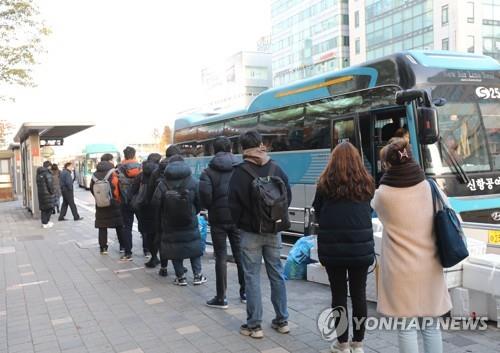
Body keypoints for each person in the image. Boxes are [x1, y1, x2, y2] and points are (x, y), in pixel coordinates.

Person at [371, 138, 452, 353]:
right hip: (430, 266)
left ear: (387, 165)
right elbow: (450, 213)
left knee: (406, 327)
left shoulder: (382, 195)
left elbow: (377, 212)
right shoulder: (430, 187)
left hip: (400, 270)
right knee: (431, 326)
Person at [312, 142, 375, 353]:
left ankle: (342, 344)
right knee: (359, 294)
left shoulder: (324, 185)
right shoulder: (366, 183)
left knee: (338, 295)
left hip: (333, 250)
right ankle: (359, 344)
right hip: (361, 249)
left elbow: (318, 213)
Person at [229, 130, 291, 339]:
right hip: (274, 231)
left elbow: (233, 205)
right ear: (261, 144)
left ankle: (254, 326)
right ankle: (282, 321)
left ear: (242, 149)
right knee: (277, 274)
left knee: (252, 277)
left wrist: (242, 224)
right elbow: (287, 197)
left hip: (249, 233)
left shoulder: (238, 172)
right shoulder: (276, 168)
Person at [200, 136, 245, 309]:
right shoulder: (240, 168)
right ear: (231, 149)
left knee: (221, 256)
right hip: (237, 217)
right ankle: (245, 293)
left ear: (214, 150)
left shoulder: (208, 172)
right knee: (240, 254)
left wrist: (212, 207)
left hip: (218, 219)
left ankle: (221, 297)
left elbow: (205, 198)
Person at [152, 150, 207, 286]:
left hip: (169, 223)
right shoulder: (193, 181)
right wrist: (193, 212)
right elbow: (200, 202)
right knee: (193, 247)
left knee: (174, 248)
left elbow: (155, 203)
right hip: (189, 221)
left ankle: (181, 277)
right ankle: (197, 276)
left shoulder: (163, 184)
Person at [148, 145, 181, 275]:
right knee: (179, 238)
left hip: (161, 210)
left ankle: (164, 267)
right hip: (178, 207)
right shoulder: (181, 168)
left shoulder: (157, 170)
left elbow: (151, 191)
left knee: (162, 238)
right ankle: (179, 269)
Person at [129, 153, 162, 263]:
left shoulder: (140, 176)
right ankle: (163, 263)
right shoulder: (160, 175)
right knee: (159, 233)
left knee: (147, 233)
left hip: (143, 209)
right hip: (157, 209)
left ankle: (151, 255)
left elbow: (132, 192)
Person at [90, 154, 125, 256]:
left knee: (102, 226)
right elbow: (117, 187)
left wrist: (100, 199)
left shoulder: (94, 175)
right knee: (119, 225)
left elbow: (92, 189)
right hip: (114, 203)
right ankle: (122, 246)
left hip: (100, 204)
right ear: (110, 161)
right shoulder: (113, 173)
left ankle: (103, 248)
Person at [117, 146, 142, 260]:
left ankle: (128, 253)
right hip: (139, 200)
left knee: (127, 227)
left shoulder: (119, 168)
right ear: (134, 155)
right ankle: (147, 250)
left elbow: (115, 186)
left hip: (125, 201)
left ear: (124, 155)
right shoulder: (141, 167)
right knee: (143, 225)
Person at [37, 161, 55, 229]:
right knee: (50, 208)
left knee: (43, 209)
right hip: (47, 194)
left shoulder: (39, 173)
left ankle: (44, 222)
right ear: (49, 166)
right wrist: (52, 192)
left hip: (41, 194)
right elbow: (50, 184)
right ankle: (46, 222)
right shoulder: (47, 173)